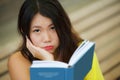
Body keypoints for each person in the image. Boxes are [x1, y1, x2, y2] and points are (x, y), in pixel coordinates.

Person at [8, 0, 104, 80]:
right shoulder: (18, 61)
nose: (47, 38)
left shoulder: (80, 53)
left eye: (53, 28)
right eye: (37, 30)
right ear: (25, 32)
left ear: (62, 26)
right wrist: (49, 62)